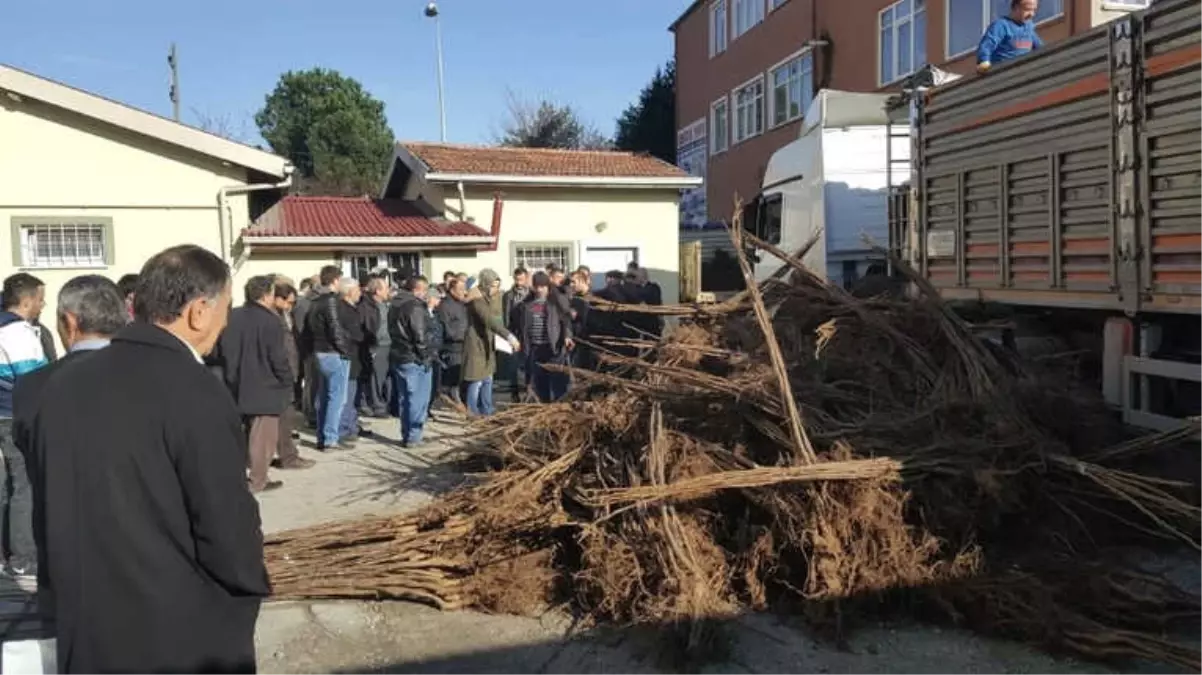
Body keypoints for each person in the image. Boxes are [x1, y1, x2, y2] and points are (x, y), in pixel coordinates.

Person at [30, 244, 268, 673]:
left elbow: (47, 508)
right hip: (177, 632)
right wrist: (250, 584)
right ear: (199, 311)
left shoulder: (62, 385)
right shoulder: (196, 389)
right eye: (226, 308)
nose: (226, 321)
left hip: (87, 626)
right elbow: (223, 522)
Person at [13, 275, 126, 603]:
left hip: (64, 554)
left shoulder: (34, 387)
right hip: (143, 560)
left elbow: (31, 457)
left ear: (69, 322)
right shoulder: (160, 376)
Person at [218, 275, 305, 493]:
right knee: (263, 437)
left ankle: (244, 471)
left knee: (245, 432)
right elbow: (277, 356)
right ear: (267, 295)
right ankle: (258, 480)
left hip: (235, 381)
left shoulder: (232, 316)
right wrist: (287, 380)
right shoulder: (270, 321)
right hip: (265, 384)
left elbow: (222, 350)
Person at [0, 272, 48, 581]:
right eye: (41, 299)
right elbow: (36, 382)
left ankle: (7, 552)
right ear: (28, 300)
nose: (43, 306)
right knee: (25, 484)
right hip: (15, 417)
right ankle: (24, 558)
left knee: (6, 486)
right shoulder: (19, 334)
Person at [307, 268, 353, 450]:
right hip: (333, 352)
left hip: (319, 351)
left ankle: (322, 436)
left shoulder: (314, 301)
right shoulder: (332, 301)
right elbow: (334, 328)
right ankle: (330, 439)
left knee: (324, 396)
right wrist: (345, 350)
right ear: (335, 280)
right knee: (336, 398)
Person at [462, 268, 520, 415]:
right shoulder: (477, 301)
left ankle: (486, 409)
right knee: (476, 381)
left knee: (488, 378)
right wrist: (510, 337)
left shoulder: (489, 298)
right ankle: (472, 412)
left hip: (487, 344)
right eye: (494, 286)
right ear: (486, 284)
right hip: (477, 346)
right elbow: (489, 321)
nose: (497, 289)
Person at [515, 272, 574, 402]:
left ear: (548, 286)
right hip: (536, 348)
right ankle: (545, 409)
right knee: (541, 384)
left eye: (543, 286)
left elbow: (566, 321)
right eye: (537, 286)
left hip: (554, 348)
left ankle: (560, 409)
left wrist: (567, 336)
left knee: (558, 383)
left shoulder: (557, 300)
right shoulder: (527, 304)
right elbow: (522, 326)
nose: (540, 290)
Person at [388, 276, 433, 447]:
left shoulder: (395, 304)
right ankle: (414, 435)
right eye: (425, 290)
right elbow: (419, 334)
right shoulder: (414, 306)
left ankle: (407, 433)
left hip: (399, 354)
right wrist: (425, 356)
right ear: (418, 289)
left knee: (405, 397)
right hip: (413, 357)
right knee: (418, 398)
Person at [336, 278, 365, 446]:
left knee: (349, 393)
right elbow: (356, 334)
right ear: (349, 292)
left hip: (351, 355)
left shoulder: (345, 308)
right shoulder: (346, 311)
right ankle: (344, 428)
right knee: (346, 394)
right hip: (349, 355)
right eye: (357, 290)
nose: (360, 293)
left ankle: (350, 425)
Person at [357, 276, 391, 418]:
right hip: (375, 345)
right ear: (377, 291)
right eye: (386, 288)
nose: (388, 291)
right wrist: (372, 344)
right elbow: (365, 327)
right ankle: (375, 405)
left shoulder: (384, 305)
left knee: (383, 377)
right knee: (374, 377)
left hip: (387, 344)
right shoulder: (366, 306)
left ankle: (382, 402)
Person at [977, 0, 1043, 73]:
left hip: (1023, 72)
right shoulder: (1001, 25)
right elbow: (987, 45)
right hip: (1003, 72)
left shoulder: (1028, 27)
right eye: (1027, 10)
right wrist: (984, 61)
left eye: (1034, 10)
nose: (1032, 14)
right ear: (1016, 8)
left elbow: (1040, 48)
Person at [436, 277, 469, 405]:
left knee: (462, 378)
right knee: (453, 380)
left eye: (464, 289)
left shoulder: (463, 305)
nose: (463, 292)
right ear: (452, 290)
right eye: (460, 289)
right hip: (452, 348)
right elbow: (446, 329)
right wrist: (460, 336)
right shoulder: (445, 306)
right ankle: (453, 402)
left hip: (464, 346)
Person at [425, 288, 446, 415]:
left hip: (437, 351)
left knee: (435, 384)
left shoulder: (436, 313)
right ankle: (425, 408)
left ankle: (429, 406)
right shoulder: (423, 313)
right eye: (437, 298)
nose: (439, 301)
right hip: (428, 352)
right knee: (428, 384)